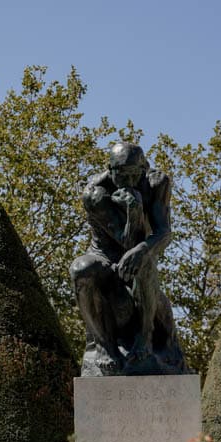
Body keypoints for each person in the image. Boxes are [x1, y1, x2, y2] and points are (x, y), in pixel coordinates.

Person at [70, 142, 189, 376]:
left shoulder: (156, 182)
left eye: (135, 174)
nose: (129, 181)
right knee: (80, 269)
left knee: (143, 259)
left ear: (143, 168)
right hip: (105, 259)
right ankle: (105, 345)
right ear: (109, 169)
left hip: (139, 258)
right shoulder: (95, 193)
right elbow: (124, 242)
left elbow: (164, 231)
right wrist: (133, 214)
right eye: (121, 175)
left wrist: (144, 249)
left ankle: (144, 339)